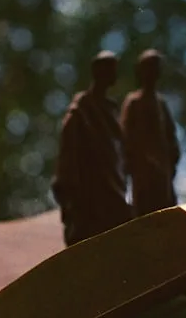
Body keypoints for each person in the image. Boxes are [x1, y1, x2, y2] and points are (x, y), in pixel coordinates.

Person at [51, 51, 133, 245]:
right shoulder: (81, 112)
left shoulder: (111, 110)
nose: (114, 75)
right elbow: (68, 157)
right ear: (98, 72)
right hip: (91, 197)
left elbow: (118, 152)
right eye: (110, 70)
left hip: (114, 191)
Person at [121, 49, 181, 216]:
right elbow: (125, 137)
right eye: (150, 67)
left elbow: (170, 135)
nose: (154, 72)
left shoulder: (161, 103)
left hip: (163, 171)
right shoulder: (133, 102)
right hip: (143, 172)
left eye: (156, 67)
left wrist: (172, 158)